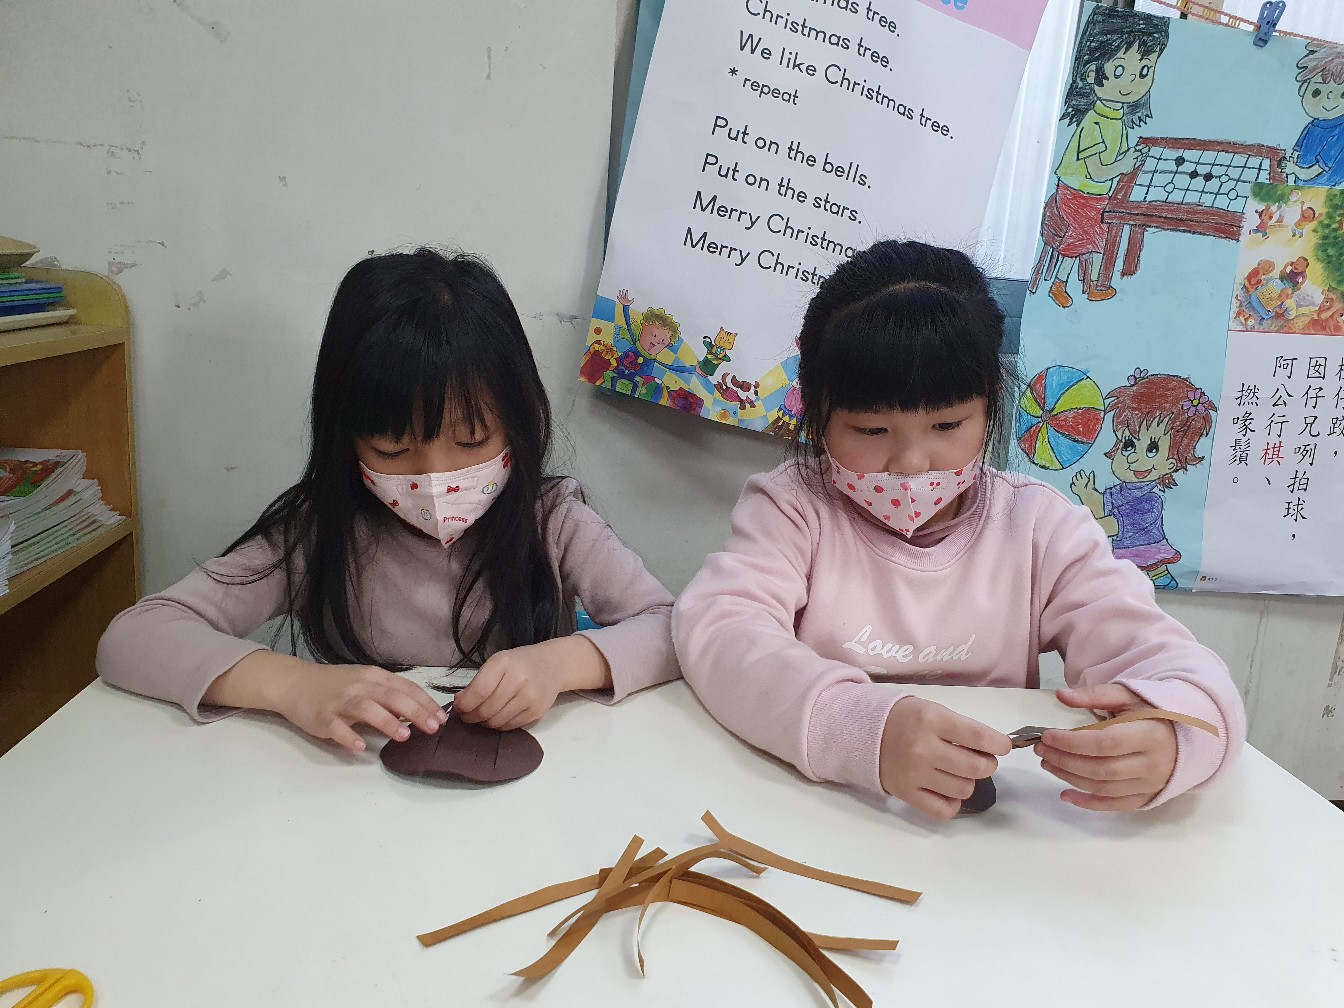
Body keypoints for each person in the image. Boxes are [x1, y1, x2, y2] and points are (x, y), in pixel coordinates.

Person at [673, 240, 1245, 822]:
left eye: (948, 424)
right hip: (818, 811)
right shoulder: (794, 507)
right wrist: (856, 726)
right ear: (817, 415)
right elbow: (722, 631)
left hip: (980, 834)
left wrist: (1175, 736)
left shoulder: (1038, 526)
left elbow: (1176, 666)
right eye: (871, 430)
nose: (912, 463)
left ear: (990, 408)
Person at [98, 248, 678, 751]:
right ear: (345, 438)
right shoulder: (319, 534)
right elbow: (134, 636)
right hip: (356, 791)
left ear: (520, 422)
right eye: (392, 450)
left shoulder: (554, 522)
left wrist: (559, 664)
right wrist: (292, 684)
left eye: (471, 441)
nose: (435, 478)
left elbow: (674, 630)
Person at [1032, 7, 1169, 308]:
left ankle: (1093, 283)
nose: (1131, 83)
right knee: (1088, 232)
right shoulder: (1093, 123)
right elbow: (1096, 171)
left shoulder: (1116, 119)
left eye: (1143, 71)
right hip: (1075, 193)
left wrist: (1131, 159)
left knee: (1103, 233)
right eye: (1119, 71)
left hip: (1095, 196)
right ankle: (1059, 284)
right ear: (1093, 72)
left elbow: (1117, 161)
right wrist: (1124, 164)